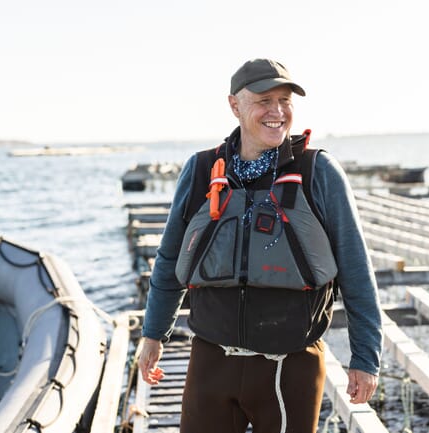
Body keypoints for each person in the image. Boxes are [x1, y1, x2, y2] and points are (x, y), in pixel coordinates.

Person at [138, 58, 382, 433]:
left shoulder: (318, 171)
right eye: (264, 100)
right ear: (235, 105)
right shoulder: (202, 170)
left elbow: (355, 267)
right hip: (211, 361)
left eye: (285, 100)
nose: (277, 112)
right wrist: (154, 334)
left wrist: (365, 357)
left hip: (289, 365)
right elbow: (170, 257)